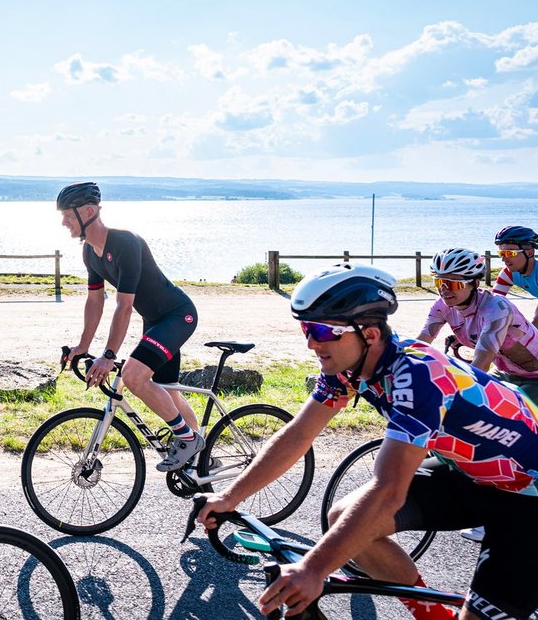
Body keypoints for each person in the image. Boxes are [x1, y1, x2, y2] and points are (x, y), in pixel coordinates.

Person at [198, 263, 538, 620]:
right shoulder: (347, 369)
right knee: (345, 517)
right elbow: (298, 434)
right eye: (305, 328)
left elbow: (389, 489)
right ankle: (434, 614)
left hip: (528, 496)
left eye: (320, 330)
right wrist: (229, 496)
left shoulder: (418, 375)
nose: (311, 342)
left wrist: (313, 569)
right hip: (471, 477)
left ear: (370, 335)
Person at [56, 181, 202, 472]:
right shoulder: (89, 253)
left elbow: (123, 306)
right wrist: (84, 346)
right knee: (167, 392)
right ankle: (200, 456)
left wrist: (109, 356)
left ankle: (187, 439)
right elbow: (95, 302)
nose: (64, 222)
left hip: (177, 315)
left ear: (88, 211)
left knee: (134, 376)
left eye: (68, 216)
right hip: (154, 321)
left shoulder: (125, 243)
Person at [419, 247, 538, 404]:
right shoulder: (442, 306)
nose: (444, 290)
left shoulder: (496, 307)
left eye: (453, 284)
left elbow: (481, 364)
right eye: (439, 282)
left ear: (474, 283)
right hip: (506, 374)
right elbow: (419, 346)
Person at [493, 225, 538, 324]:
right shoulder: (508, 274)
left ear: (530, 253)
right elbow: (493, 305)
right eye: (501, 253)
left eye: (509, 253)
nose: (503, 259)